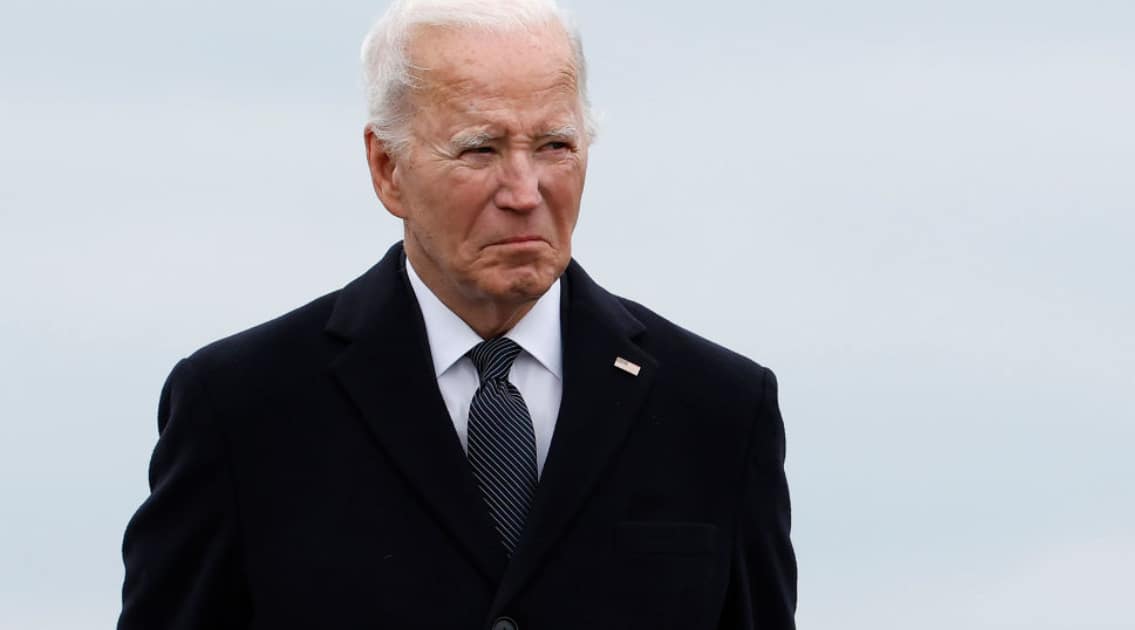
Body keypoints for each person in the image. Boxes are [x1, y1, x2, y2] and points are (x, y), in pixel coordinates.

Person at [117, 0, 796, 628]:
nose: (525, 191)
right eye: (482, 149)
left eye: (555, 146)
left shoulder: (719, 411)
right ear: (387, 169)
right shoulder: (242, 409)